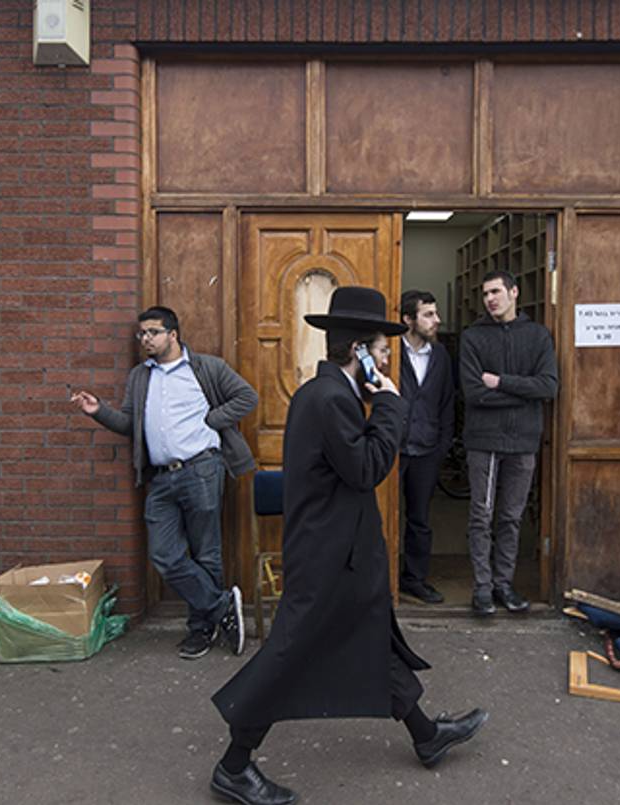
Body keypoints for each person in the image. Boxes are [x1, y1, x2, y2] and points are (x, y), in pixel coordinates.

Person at [210, 286, 487, 805]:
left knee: (372, 638)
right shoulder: (332, 398)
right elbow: (366, 469)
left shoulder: (329, 394)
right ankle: (234, 764)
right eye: (383, 350)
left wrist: (377, 401)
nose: (387, 360)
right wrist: (388, 404)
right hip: (328, 558)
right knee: (290, 655)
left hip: (341, 553)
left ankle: (426, 736)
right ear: (359, 351)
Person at [70, 306, 257, 660]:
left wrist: (213, 419)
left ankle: (201, 630)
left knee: (206, 554)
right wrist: (99, 412)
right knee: (164, 555)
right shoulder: (140, 377)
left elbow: (247, 397)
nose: (146, 340)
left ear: (173, 334)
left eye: (153, 333)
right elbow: (129, 423)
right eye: (142, 334)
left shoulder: (207, 368)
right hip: (159, 479)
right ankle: (221, 607)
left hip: (201, 468)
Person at [459, 270, 559, 617]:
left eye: (497, 291)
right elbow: (473, 393)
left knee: (511, 518)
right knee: (481, 516)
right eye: (486, 293)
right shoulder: (472, 337)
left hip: (523, 441)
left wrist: (500, 382)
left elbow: (548, 387)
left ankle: (504, 584)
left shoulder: (538, 335)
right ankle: (482, 589)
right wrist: (523, 393)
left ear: (514, 292)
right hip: (483, 440)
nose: (491, 299)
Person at [397, 289, 455, 604]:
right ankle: (380, 578)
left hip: (427, 449)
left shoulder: (441, 356)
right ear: (409, 319)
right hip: (393, 449)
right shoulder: (390, 351)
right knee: (382, 514)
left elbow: (447, 402)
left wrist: (442, 445)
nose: (437, 320)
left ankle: (414, 579)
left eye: (435, 313)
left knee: (420, 519)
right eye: (429, 314)